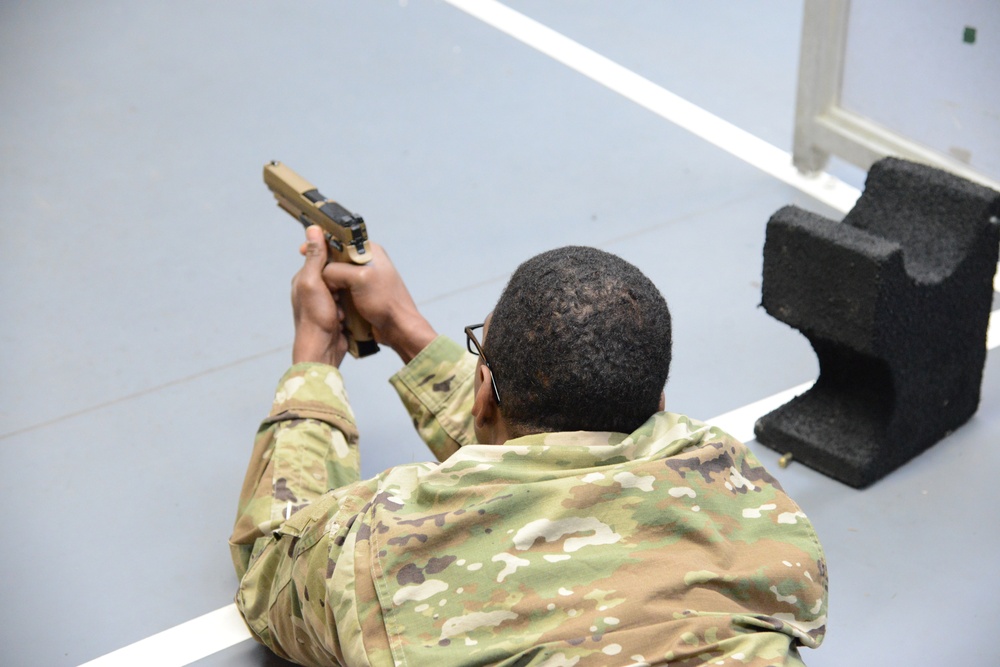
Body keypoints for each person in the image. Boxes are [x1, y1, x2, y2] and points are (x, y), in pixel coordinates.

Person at [230, 225, 828, 667]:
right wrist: (404, 329)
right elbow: (557, 457)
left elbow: (268, 572)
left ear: (482, 389)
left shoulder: (383, 552)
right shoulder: (742, 497)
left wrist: (312, 362)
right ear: (661, 400)